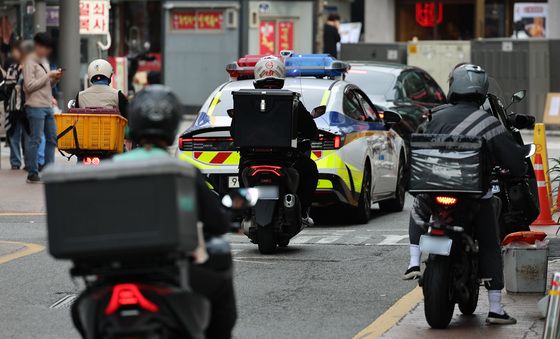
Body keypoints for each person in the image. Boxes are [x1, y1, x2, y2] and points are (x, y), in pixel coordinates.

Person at [403, 64, 525, 325]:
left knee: (418, 207)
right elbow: (514, 161)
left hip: (432, 191)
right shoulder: (489, 123)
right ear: (481, 92)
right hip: (471, 195)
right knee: (490, 239)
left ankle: (414, 261)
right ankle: (495, 308)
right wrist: (517, 167)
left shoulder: (434, 117)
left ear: (453, 88)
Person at [113, 85, 237, 339]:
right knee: (220, 264)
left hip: (113, 272)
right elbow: (218, 224)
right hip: (169, 272)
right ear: (172, 127)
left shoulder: (109, 168)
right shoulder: (185, 173)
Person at [241, 55, 319, 224]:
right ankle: (303, 212)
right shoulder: (292, 100)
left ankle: (246, 213)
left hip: (252, 159)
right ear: (281, 78)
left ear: (257, 77)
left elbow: (235, 131)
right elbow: (310, 129)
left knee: (241, 170)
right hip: (286, 159)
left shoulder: (245, 100)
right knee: (311, 170)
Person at [23, 32, 63, 183]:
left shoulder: (44, 61)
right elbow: (28, 86)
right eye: (45, 47)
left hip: (47, 105)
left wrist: (54, 80)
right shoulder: (29, 62)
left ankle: (49, 171)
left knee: (52, 138)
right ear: (38, 46)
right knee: (36, 139)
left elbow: (46, 85)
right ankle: (32, 173)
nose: (47, 51)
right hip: (35, 106)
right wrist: (48, 76)